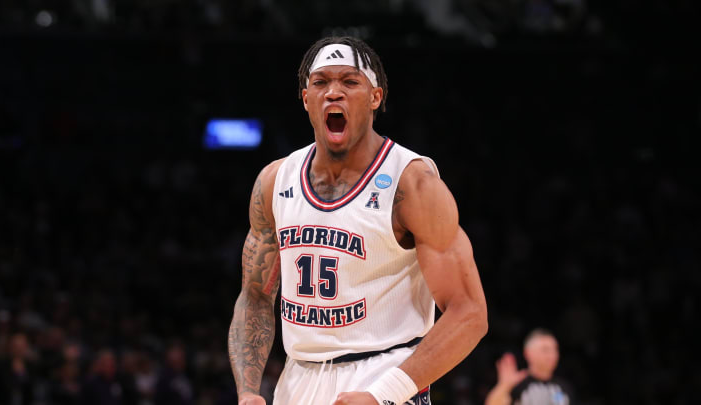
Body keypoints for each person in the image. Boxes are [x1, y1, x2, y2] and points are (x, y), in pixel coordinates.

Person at [228, 36, 488, 405]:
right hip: (297, 379)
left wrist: (384, 394)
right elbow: (254, 296)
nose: (334, 92)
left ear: (375, 97)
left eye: (349, 81)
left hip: (384, 374)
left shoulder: (411, 184)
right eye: (321, 82)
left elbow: (470, 312)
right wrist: (248, 391)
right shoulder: (274, 181)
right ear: (306, 99)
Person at [485, 329, 574, 405]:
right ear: (528, 353)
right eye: (545, 350)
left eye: (555, 349)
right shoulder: (517, 384)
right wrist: (504, 386)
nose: (552, 355)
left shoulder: (564, 387)